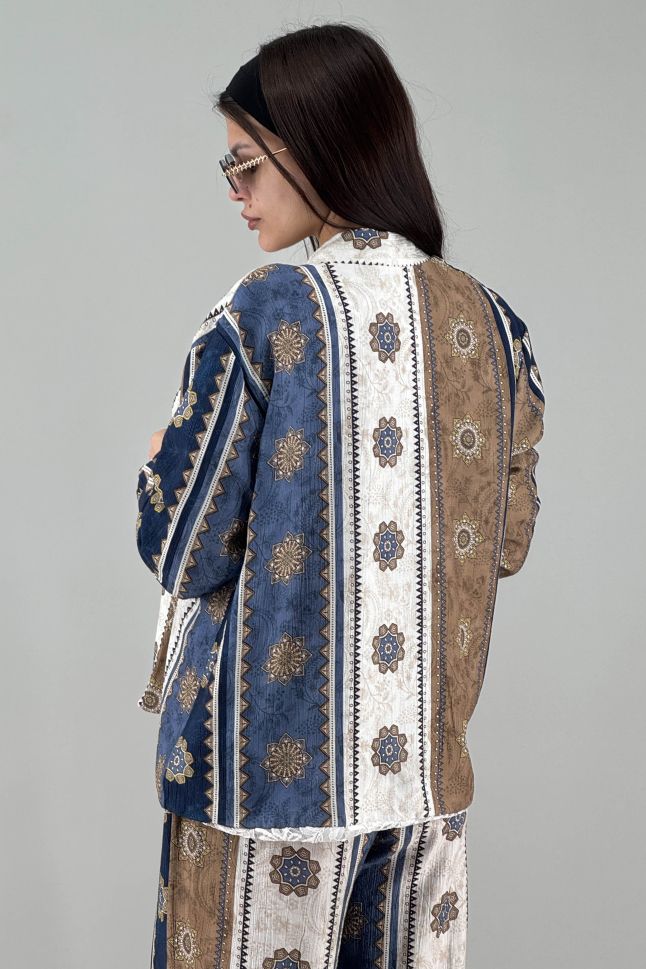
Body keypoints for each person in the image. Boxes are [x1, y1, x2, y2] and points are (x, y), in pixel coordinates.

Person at [135, 22, 545, 969]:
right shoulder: (496, 329)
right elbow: (505, 541)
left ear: (315, 146)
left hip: (260, 796)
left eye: (245, 165)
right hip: (422, 791)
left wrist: (158, 461)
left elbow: (184, 545)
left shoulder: (265, 311)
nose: (235, 192)